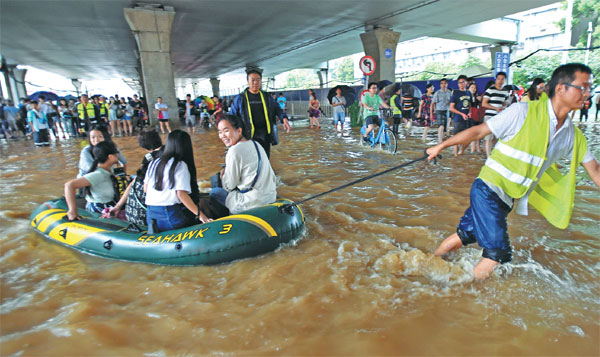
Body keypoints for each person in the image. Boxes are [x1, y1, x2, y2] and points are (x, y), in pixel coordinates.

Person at [426, 63, 600, 280]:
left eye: (590, 88)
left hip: (506, 199)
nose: (588, 93)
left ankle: (429, 266)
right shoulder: (522, 112)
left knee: (465, 235)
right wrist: (440, 146)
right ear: (560, 89)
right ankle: (458, 297)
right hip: (488, 189)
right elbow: (479, 130)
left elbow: (595, 171)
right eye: (583, 87)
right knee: (498, 253)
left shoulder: (573, 137)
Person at [200, 115, 277, 219]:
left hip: (252, 203)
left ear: (239, 131)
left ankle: (225, 220)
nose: (222, 135)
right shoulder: (256, 144)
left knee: (215, 192)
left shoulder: (234, 151)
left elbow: (229, 185)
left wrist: (224, 176)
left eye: (226, 131)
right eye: (220, 132)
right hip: (270, 197)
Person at [144, 130, 206, 232]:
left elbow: (145, 189)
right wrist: (201, 215)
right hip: (169, 215)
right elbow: (181, 195)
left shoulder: (154, 163)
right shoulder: (180, 165)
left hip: (151, 215)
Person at [105, 130, 163, 226]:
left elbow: (133, 183)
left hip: (132, 215)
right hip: (148, 218)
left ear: (143, 146)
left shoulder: (147, 159)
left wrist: (117, 206)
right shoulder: (165, 155)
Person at [229, 68, 291, 158]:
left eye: (258, 80)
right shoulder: (241, 98)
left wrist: (284, 119)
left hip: (265, 135)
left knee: (265, 159)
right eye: (253, 80)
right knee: (251, 161)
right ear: (248, 81)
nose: (255, 83)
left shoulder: (266, 96)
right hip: (248, 136)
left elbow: (278, 109)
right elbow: (232, 116)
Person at [65, 141, 121, 219]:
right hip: (99, 209)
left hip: (111, 204)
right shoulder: (98, 174)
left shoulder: (109, 169)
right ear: (110, 157)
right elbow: (69, 185)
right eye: (117, 152)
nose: (119, 155)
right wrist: (72, 211)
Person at [481, 72, 509, 158]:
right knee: (488, 137)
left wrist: (504, 105)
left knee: (496, 137)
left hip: (499, 117)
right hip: (489, 116)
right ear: (496, 79)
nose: (500, 81)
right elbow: (484, 104)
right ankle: (488, 156)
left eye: (502, 79)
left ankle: (492, 154)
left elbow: (505, 102)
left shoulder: (505, 92)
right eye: (499, 79)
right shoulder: (490, 90)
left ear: (505, 80)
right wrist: (495, 108)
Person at [449, 75, 472, 157]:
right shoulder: (455, 93)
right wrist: (461, 114)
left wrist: (470, 112)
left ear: (467, 83)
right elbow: (451, 108)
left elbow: (469, 105)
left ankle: (461, 151)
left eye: (463, 82)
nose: (461, 84)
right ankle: (456, 156)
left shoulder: (469, 93)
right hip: (458, 118)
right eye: (459, 83)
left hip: (467, 119)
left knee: (469, 138)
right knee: (456, 138)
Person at [431, 78, 452, 145]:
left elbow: (452, 103)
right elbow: (432, 103)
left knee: (445, 128)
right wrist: (432, 114)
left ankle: (443, 139)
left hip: (447, 111)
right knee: (441, 126)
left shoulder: (449, 93)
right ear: (440, 85)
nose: (443, 85)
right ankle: (439, 141)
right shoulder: (437, 93)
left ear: (447, 84)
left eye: (445, 83)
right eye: (442, 83)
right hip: (439, 111)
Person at [468, 82, 483, 153]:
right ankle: (472, 150)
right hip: (471, 117)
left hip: (477, 117)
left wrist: (480, 100)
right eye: (472, 87)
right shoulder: (466, 97)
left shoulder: (478, 97)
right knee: (472, 134)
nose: (474, 89)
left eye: (475, 88)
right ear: (469, 88)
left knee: (478, 134)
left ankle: (478, 149)